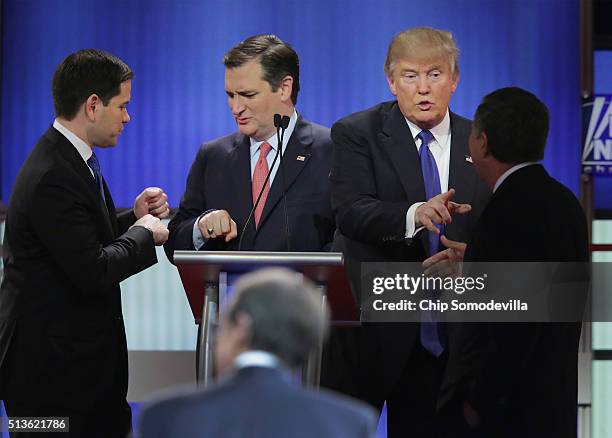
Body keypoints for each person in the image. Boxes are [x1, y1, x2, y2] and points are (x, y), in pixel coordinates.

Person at [326, 27, 490, 437]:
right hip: (372, 332)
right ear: (391, 80)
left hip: (451, 339)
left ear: (454, 79)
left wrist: (475, 257)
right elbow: (351, 211)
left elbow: (506, 230)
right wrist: (417, 214)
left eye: (434, 75)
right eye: (410, 76)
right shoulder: (356, 132)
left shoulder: (484, 141)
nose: (423, 89)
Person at [0, 49, 170, 438]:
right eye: (123, 106)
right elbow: (92, 270)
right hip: (49, 385)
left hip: (77, 375)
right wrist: (144, 233)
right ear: (93, 105)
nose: (128, 117)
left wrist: (133, 215)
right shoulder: (53, 175)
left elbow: (76, 238)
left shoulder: (68, 159)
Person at [424, 87, 589, 437]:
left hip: (507, 413)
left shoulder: (507, 210)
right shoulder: (564, 201)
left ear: (482, 143)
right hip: (552, 404)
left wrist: (478, 402)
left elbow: (513, 323)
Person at [137, 268, 378, 438]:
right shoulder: (350, 423)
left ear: (241, 327)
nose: (217, 338)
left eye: (219, 326)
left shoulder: (165, 416)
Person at [164, 34, 334, 261]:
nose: (235, 107)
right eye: (230, 95)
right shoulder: (213, 156)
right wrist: (201, 227)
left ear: (284, 88)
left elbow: (348, 239)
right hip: (231, 295)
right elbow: (174, 243)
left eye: (247, 95)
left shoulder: (333, 150)